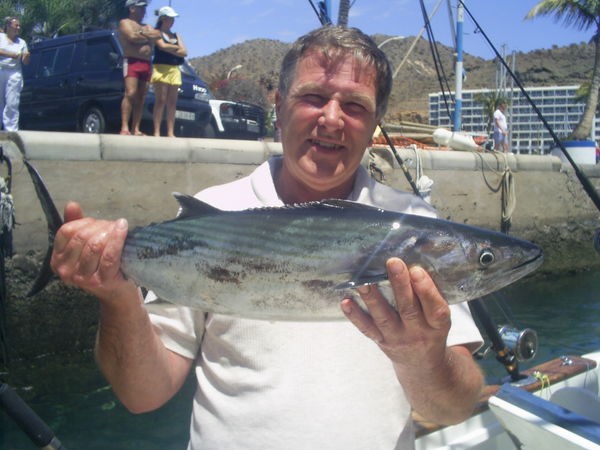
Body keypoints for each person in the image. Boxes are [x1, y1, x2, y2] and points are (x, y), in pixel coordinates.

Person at [50, 26, 484, 449]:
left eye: (354, 105)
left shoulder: (415, 225)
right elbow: (143, 394)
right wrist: (118, 296)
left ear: (375, 122)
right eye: (313, 97)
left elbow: (452, 409)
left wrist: (423, 356)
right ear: (279, 106)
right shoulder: (215, 214)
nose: (332, 118)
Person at [118, 0, 161, 136]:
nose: (144, 11)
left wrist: (142, 33)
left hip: (146, 63)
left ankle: (135, 128)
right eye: (140, 8)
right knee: (130, 93)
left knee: (141, 96)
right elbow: (132, 36)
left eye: (144, 8)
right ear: (132, 9)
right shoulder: (125, 23)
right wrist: (146, 35)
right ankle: (125, 127)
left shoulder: (146, 26)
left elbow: (157, 35)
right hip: (132, 62)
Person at [150, 6, 187, 137]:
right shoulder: (157, 33)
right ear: (163, 19)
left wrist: (171, 48)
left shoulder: (176, 35)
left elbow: (184, 52)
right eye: (170, 18)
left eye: (173, 18)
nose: (172, 21)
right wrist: (176, 47)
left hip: (174, 69)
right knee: (161, 100)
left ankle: (170, 132)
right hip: (160, 68)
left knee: (172, 102)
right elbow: (162, 46)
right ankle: (156, 131)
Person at [0, 16, 29, 131]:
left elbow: (25, 62)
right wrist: (11, 54)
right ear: (8, 26)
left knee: (12, 102)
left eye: (19, 26)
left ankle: (11, 130)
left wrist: (26, 57)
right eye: (16, 25)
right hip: (1, 69)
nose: (18, 28)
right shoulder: (1, 37)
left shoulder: (22, 42)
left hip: (14, 73)